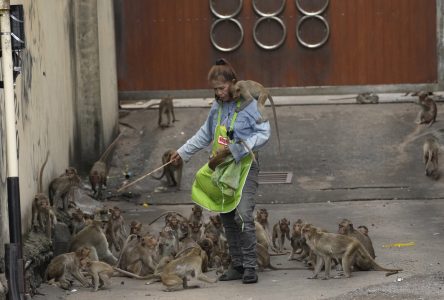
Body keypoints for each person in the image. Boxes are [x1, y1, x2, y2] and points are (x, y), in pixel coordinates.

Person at [170, 58, 271, 284]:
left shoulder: (250, 104)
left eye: (222, 88)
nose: (218, 93)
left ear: (233, 84)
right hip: (222, 169)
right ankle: (237, 264)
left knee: (243, 215)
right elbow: (205, 134)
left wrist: (237, 148)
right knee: (226, 215)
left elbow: (264, 134)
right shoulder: (217, 106)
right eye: (215, 89)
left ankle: (250, 266)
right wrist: (182, 153)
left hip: (245, 166)